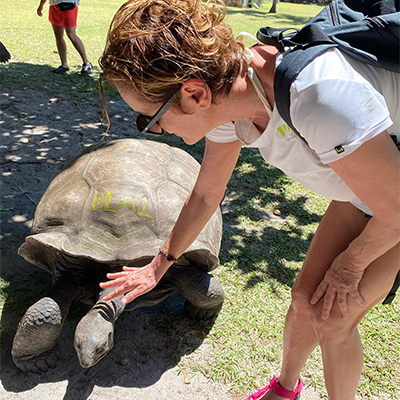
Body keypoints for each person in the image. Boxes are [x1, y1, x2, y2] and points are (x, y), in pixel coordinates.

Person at [98, 1, 400, 399]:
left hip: (394, 201)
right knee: (304, 299)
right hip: (371, 190)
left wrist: (351, 264)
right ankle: (284, 389)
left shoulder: (319, 97)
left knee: (333, 320)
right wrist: (159, 265)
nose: (157, 131)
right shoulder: (231, 103)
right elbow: (207, 192)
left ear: (193, 93)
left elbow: (397, 209)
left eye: (150, 119)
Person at [37, 0, 92, 74]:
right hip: (55, 5)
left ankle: (87, 63)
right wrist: (41, 5)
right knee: (58, 36)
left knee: (71, 35)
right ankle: (64, 65)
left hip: (69, 5)